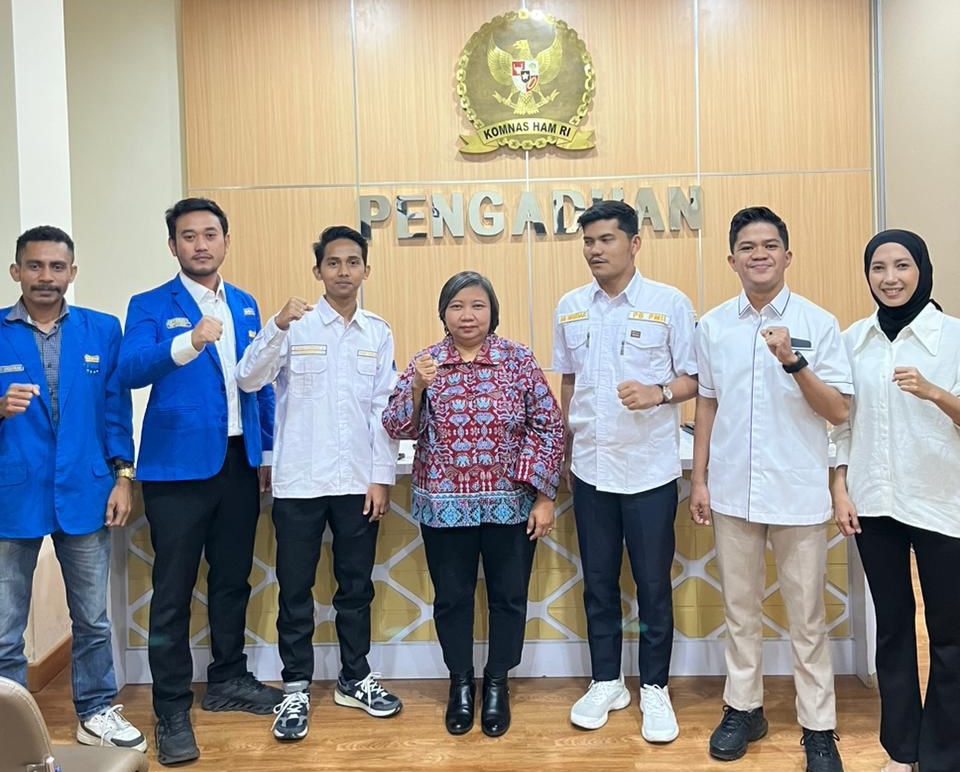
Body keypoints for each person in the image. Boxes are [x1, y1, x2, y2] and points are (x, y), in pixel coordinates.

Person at [690, 206, 851, 772]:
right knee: (740, 611)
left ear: (787, 255)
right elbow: (706, 405)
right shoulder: (713, 326)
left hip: (798, 491)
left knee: (807, 617)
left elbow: (838, 410)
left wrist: (793, 360)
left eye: (769, 246)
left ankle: (819, 728)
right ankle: (744, 708)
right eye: (747, 247)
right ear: (731, 259)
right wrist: (701, 479)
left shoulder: (820, 323)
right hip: (733, 489)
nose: (759, 255)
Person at [117, 198, 278, 765]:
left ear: (226, 241)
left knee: (232, 581)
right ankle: (170, 707)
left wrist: (266, 451)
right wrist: (190, 341)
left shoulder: (246, 303)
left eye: (211, 234)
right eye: (189, 236)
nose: (201, 244)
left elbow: (260, 381)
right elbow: (131, 370)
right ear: (173, 246)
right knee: (173, 592)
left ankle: (228, 678)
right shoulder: (150, 304)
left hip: (238, 463)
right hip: (176, 471)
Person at [236, 225, 402, 742]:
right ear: (318, 271)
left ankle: (355, 677)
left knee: (356, 588)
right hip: (299, 483)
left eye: (353, 262)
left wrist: (381, 477)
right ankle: (295, 687)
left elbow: (384, 411)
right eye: (333, 263)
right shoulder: (295, 325)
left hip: (357, 482)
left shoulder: (378, 332)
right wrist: (275, 325)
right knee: (295, 590)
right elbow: (248, 378)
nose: (343, 271)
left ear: (366, 270)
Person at [382, 271, 563, 737]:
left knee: (509, 597)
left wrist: (545, 496)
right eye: (457, 306)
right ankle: (460, 681)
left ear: (492, 312)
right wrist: (417, 388)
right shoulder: (426, 363)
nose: (468, 315)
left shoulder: (517, 360)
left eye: (477, 305)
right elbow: (396, 426)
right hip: (444, 508)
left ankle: (498, 681)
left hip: (511, 505)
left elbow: (548, 427)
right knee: (452, 599)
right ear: (443, 313)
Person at [552, 200, 698, 742]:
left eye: (606, 239)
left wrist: (659, 393)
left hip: (648, 471)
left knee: (653, 585)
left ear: (634, 244)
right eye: (588, 241)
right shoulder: (571, 306)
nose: (595, 250)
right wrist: (565, 451)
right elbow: (569, 382)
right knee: (598, 583)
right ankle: (607, 680)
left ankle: (655, 687)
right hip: (590, 469)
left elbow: (694, 379)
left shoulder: (669, 303)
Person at [0, 226, 145, 752]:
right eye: (35, 266)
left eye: (56, 267)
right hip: (12, 497)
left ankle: (96, 711)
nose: (46, 276)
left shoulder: (102, 330)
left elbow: (115, 410)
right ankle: (10, 730)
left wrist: (123, 477)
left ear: (72, 273)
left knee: (93, 619)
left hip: (87, 492)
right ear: (16, 271)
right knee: (4, 627)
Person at [831, 229, 960, 772]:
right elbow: (840, 424)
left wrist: (935, 392)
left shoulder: (953, 337)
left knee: (950, 636)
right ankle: (902, 751)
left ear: (922, 270)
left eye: (902, 266)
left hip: (942, 502)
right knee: (892, 629)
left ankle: (944, 754)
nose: (890, 278)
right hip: (872, 501)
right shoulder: (852, 340)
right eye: (878, 268)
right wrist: (839, 486)